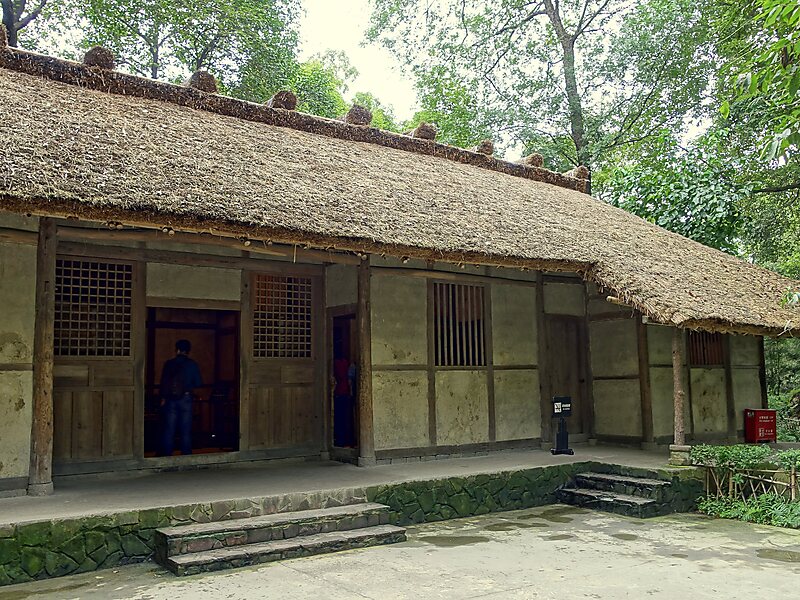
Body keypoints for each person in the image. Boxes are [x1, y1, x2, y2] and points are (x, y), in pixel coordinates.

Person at [160, 339, 203, 456]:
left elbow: (163, 383)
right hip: (186, 399)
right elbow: (198, 383)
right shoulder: (192, 364)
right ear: (188, 351)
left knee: (169, 430)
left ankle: (167, 456)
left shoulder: (169, 364)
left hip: (170, 399)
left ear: (177, 350)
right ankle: (186, 455)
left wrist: (163, 398)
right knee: (186, 430)